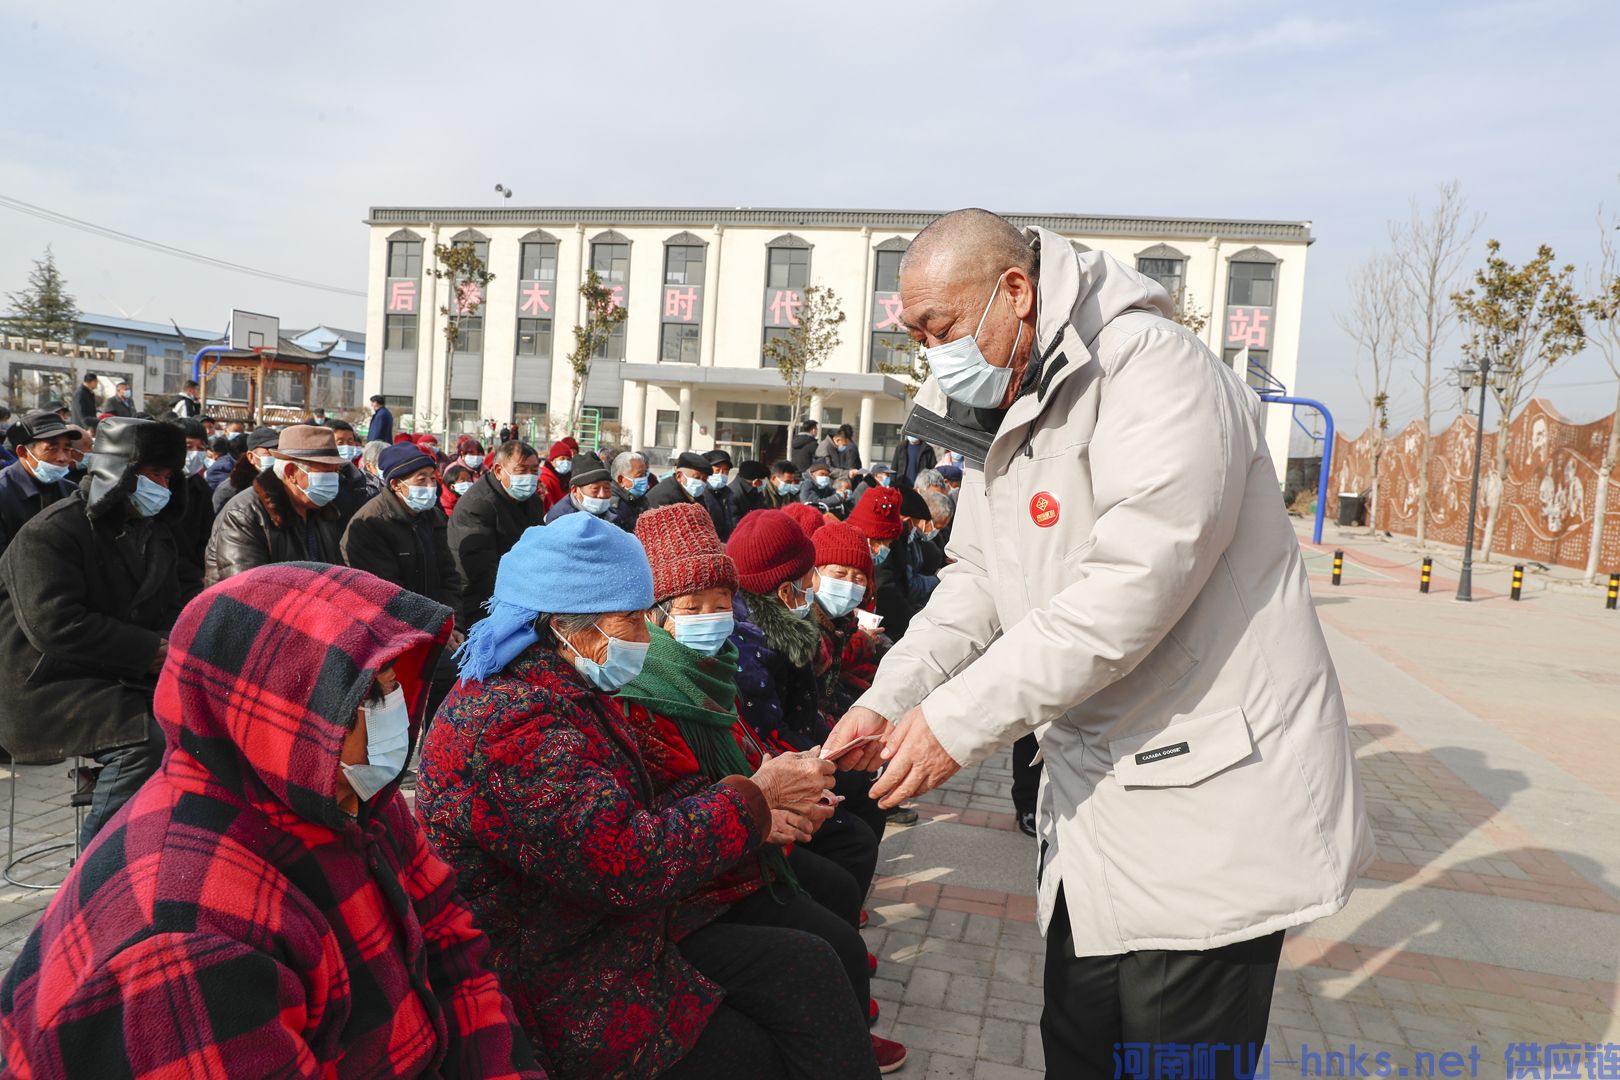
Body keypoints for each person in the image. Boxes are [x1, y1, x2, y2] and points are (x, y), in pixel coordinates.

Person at [825, 208, 1372, 1074]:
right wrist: (885, 703)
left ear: (1015, 290)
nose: (933, 353)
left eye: (940, 328)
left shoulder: (1155, 373)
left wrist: (953, 724)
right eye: (917, 335)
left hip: (1206, 811)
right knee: (1077, 1047)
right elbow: (976, 581)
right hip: (1096, 815)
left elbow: (1131, 588)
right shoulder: (1007, 397)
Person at [0, 563, 546, 1078]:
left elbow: (448, 934)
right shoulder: (186, 935)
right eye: (366, 698)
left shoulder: (346, 798)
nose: (396, 718)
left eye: (393, 687)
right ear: (286, 718)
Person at [415, 514, 878, 1079]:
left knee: (812, 965)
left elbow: (635, 801)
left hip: (615, 930)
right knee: (760, 1046)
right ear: (568, 627)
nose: (644, 635)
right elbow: (625, 862)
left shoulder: (567, 686)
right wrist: (754, 800)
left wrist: (763, 808)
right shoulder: (512, 722)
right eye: (632, 618)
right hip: (560, 970)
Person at [620, 504, 907, 1073]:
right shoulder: (637, 686)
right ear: (655, 615)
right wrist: (762, 811)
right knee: (819, 950)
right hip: (691, 890)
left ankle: (843, 1031)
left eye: (721, 603)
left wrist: (791, 788)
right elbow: (653, 821)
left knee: (836, 913)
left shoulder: (714, 664)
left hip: (732, 852)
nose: (712, 618)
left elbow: (752, 747)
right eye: (692, 606)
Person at [0, 416, 187, 845]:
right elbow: (55, 625)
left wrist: (176, 642)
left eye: (168, 475)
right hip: (46, 679)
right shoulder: (50, 532)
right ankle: (98, 872)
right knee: (143, 742)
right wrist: (149, 649)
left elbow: (170, 602)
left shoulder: (153, 532)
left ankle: (162, 844)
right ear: (119, 472)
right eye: (152, 474)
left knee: (199, 716)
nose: (163, 484)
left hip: (117, 669)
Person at [727, 510, 882, 907]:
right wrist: (823, 760)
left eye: (859, 577)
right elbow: (769, 730)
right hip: (763, 773)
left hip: (796, 750)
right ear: (782, 591)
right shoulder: (751, 644)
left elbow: (809, 706)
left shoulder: (793, 630)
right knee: (854, 839)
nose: (815, 589)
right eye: (808, 580)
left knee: (866, 802)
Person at [342, 442, 469, 719]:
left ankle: (437, 747)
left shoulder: (431, 516)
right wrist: (436, 629)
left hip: (432, 625)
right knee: (443, 672)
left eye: (431, 478)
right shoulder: (372, 523)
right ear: (397, 484)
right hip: (387, 632)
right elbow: (386, 593)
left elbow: (449, 576)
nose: (429, 485)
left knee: (464, 665)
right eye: (420, 479)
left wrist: (453, 624)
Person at [204, 423, 345, 586]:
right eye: (326, 471)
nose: (334, 478)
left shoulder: (323, 512)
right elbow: (247, 589)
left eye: (336, 471)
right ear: (291, 472)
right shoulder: (243, 514)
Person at [448, 440, 546, 623]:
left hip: (523, 591)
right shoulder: (478, 505)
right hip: (481, 599)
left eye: (534, 470)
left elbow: (539, 547)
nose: (530, 477)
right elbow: (482, 569)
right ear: (499, 471)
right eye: (522, 470)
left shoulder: (532, 501)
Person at [0, 410, 82, 555]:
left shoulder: (71, 492)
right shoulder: (4, 492)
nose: (62, 458)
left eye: (67, 448)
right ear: (22, 452)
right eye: (52, 449)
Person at [845, 487, 919, 641]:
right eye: (886, 543)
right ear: (872, 542)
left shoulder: (867, 564)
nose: (887, 549)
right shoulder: (847, 563)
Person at [213, 426, 278, 514]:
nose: (275, 458)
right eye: (268, 453)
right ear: (251, 457)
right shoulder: (230, 489)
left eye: (277, 453)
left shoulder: (285, 485)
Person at [543, 453, 620, 525]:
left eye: (607, 488)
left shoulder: (614, 513)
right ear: (575, 490)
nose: (602, 495)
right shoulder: (560, 519)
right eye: (595, 489)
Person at [698, 449, 743, 539]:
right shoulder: (700, 494)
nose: (721, 475)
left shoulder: (729, 494)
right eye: (717, 471)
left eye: (725, 471)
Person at [646, 450, 712, 509]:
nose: (700, 482)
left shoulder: (696, 496)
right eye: (697, 478)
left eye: (704, 480)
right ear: (679, 476)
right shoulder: (664, 499)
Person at [609, 449, 651, 532]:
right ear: (621, 480)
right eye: (639, 476)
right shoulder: (613, 507)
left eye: (645, 474)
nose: (644, 479)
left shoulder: (639, 498)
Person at [538, 439, 573, 509]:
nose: (565, 462)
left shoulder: (568, 478)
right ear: (551, 461)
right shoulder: (545, 479)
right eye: (562, 459)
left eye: (568, 459)